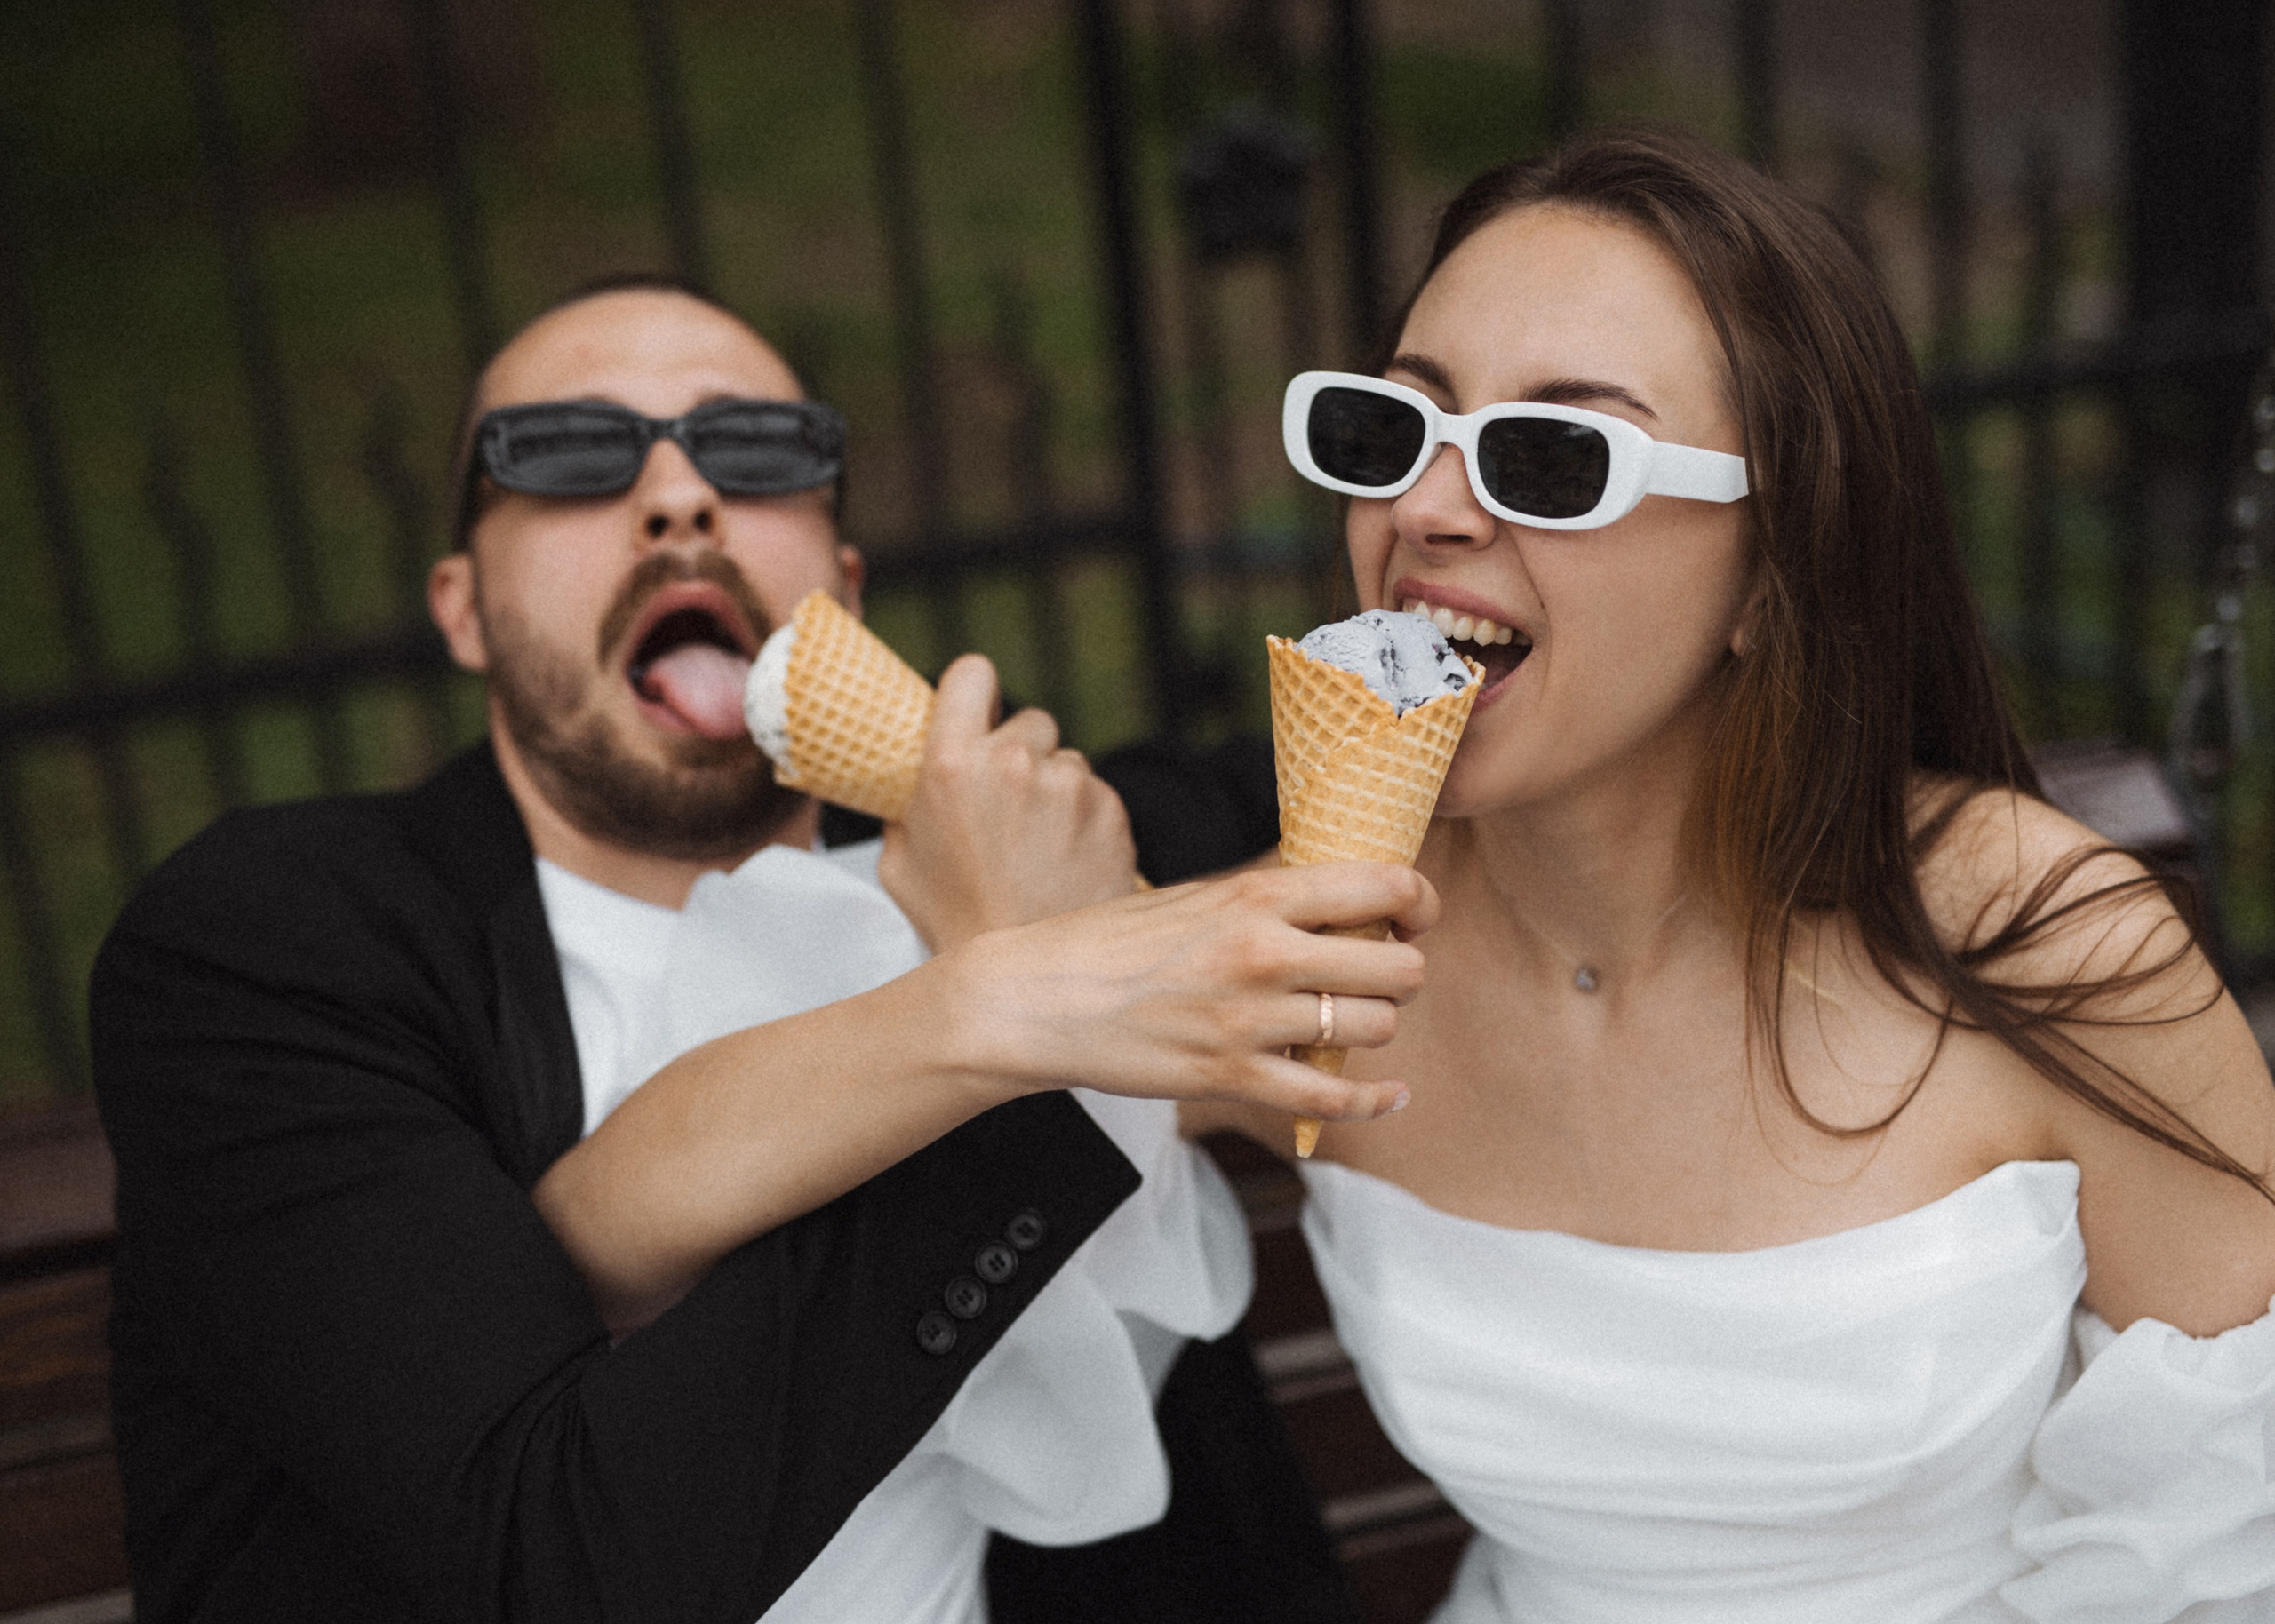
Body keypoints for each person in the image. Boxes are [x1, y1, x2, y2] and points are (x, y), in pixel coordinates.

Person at [91, 278, 1419, 1623]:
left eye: (758, 451)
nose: (678, 497)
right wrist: (1016, 1010)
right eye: (566, 454)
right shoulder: (278, 946)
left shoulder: (1009, 835)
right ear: (463, 607)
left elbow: (1434, 803)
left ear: (843, 584)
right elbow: (554, 1562)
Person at [1210, 127, 2275, 1622]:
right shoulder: (1307, 947)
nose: (1430, 513)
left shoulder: (2041, 934)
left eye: (1553, 455)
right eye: (1393, 432)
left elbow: (2236, 1504)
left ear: (1773, 573)